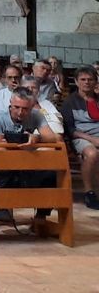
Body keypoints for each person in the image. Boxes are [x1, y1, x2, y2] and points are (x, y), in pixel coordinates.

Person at [0, 86, 59, 224]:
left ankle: (41, 215)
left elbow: (52, 138)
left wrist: (36, 138)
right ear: (10, 103)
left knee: (51, 173)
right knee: (5, 165)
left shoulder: (36, 115)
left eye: (25, 109)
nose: (20, 112)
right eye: (16, 107)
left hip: (24, 162)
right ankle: (3, 205)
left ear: (31, 107)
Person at [62, 65, 99, 209]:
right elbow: (71, 130)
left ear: (95, 82)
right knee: (92, 153)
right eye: (83, 79)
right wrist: (93, 140)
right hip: (81, 137)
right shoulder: (69, 102)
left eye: (90, 79)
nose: (87, 82)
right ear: (76, 82)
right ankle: (89, 192)